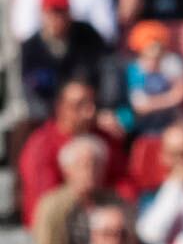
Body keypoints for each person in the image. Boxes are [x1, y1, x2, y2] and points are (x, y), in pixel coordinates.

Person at [19, 79, 127, 225]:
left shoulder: (105, 138)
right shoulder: (41, 145)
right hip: (60, 225)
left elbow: (124, 182)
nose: (89, 112)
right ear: (61, 107)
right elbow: (44, 198)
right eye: (79, 105)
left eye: (92, 104)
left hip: (105, 224)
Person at [32, 134, 118, 244]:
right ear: (67, 170)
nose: (90, 171)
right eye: (83, 165)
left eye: (96, 165)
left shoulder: (116, 205)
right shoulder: (52, 206)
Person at [19, 0, 108, 122]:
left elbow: (107, 70)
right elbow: (29, 91)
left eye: (62, 11)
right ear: (42, 12)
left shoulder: (88, 36)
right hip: (48, 120)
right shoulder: (30, 48)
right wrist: (55, 116)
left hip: (90, 114)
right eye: (52, 12)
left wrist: (103, 107)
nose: (57, 18)